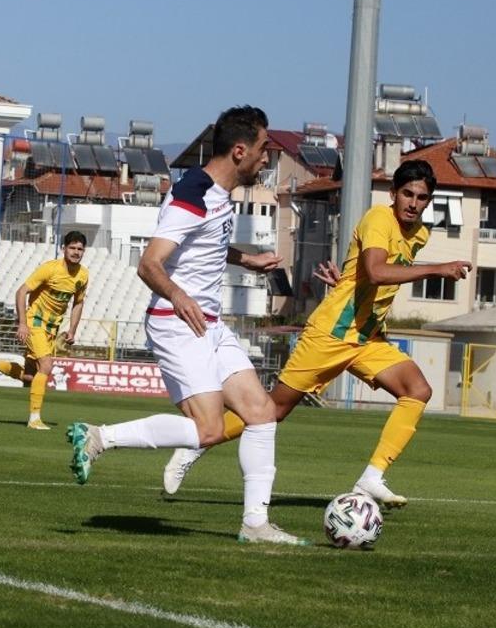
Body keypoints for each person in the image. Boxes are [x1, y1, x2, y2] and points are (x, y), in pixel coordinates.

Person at [161, 159, 472, 509]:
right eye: (408, 194)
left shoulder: (419, 233)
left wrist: (347, 283)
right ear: (395, 194)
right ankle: (196, 445)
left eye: (422, 197)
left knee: (418, 390)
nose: (414, 203)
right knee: (272, 410)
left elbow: (368, 275)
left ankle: (372, 476)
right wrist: (438, 270)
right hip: (331, 334)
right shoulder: (378, 219)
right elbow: (377, 270)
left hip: (366, 338)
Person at [67, 105, 305, 545]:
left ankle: (255, 524)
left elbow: (204, 241)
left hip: (209, 325)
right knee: (209, 430)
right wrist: (178, 296)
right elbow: (150, 263)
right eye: (263, 149)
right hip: (178, 323)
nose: (266, 159)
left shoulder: (216, 195)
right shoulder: (190, 193)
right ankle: (99, 436)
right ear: (239, 151)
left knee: (261, 412)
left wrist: (244, 258)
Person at [0, 231, 89, 429]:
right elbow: (21, 291)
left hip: (52, 329)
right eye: (72, 248)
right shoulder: (50, 269)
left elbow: (78, 303)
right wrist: (23, 323)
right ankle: (34, 419)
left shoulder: (83, 275)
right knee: (47, 366)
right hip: (35, 323)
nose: (76, 252)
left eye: (80, 249)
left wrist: (72, 330)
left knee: (30, 378)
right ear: (64, 249)